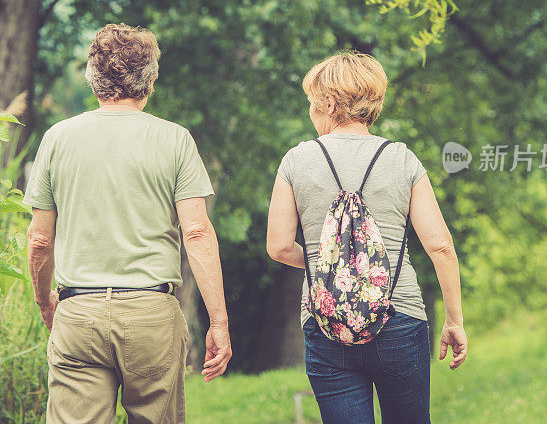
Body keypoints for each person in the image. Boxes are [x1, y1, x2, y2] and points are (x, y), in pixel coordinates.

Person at [23, 23, 232, 424]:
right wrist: (218, 322)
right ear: (150, 79)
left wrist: (43, 299)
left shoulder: (58, 138)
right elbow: (197, 232)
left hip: (77, 311)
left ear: (92, 77)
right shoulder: (175, 140)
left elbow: (38, 241)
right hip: (151, 314)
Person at [266, 52, 467, 423]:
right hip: (399, 315)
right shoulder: (402, 159)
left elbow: (278, 247)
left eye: (312, 104)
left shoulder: (296, 160)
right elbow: (440, 247)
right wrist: (454, 321)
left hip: (325, 319)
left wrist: (328, 262)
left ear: (328, 103)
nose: (311, 114)